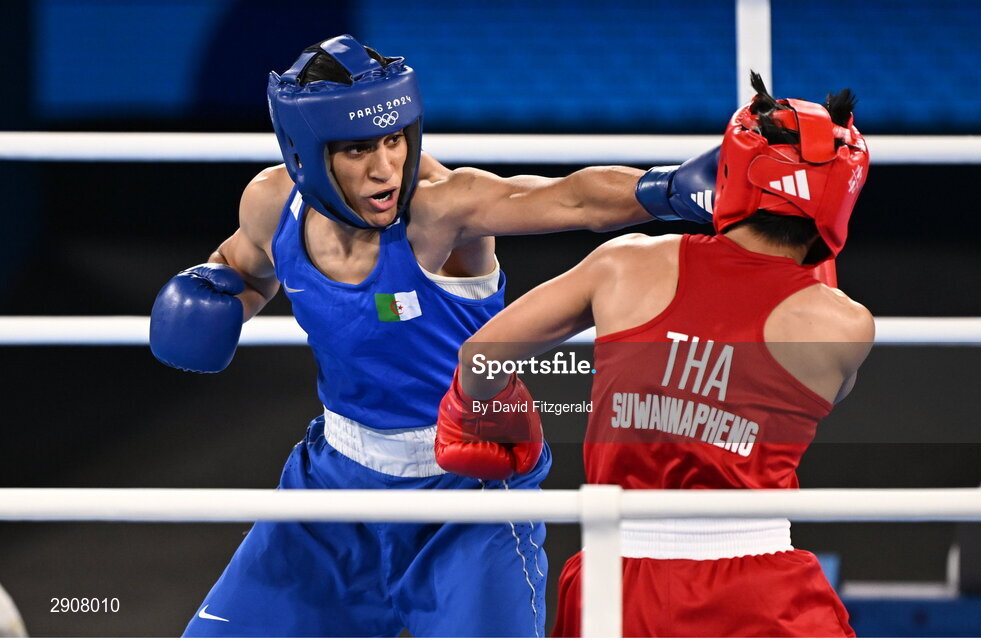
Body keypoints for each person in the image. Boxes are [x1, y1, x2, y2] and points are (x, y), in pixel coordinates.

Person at [148, 35, 706, 637]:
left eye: (395, 140)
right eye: (359, 148)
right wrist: (217, 291)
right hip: (333, 488)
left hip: (465, 495)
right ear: (306, 155)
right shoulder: (270, 204)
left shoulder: (440, 211)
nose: (386, 167)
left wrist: (666, 190)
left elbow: (565, 198)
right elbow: (247, 266)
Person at [435, 73, 874, 636]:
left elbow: (481, 357)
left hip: (616, 585)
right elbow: (827, 389)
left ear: (730, 172)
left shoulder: (625, 264)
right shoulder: (844, 326)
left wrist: (483, 413)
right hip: (758, 588)